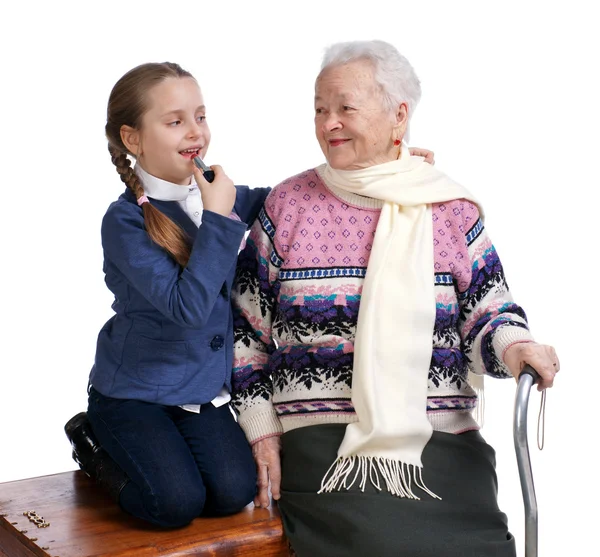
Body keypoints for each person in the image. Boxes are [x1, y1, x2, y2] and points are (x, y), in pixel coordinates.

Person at [231, 40, 560, 557]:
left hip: (441, 444)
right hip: (323, 446)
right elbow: (245, 334)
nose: (328, 123)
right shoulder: (288, 205)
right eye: (320, 109)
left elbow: (489, 314)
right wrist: (261, 430)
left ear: (398, 115)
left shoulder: (447, 208)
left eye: (345, 107)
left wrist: (519, 347)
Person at [63, 62, 272, 528]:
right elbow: (189, 309)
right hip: (132, 394)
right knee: (173, 505)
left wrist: (378, 167)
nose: (195, 132)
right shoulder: (124, 222)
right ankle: (93, 443)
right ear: (133, 139)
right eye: (175, 121)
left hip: (197, 392)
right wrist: (218, 219)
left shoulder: (217, 197)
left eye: (200, 116)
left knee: (231, 493)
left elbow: (293, 199)